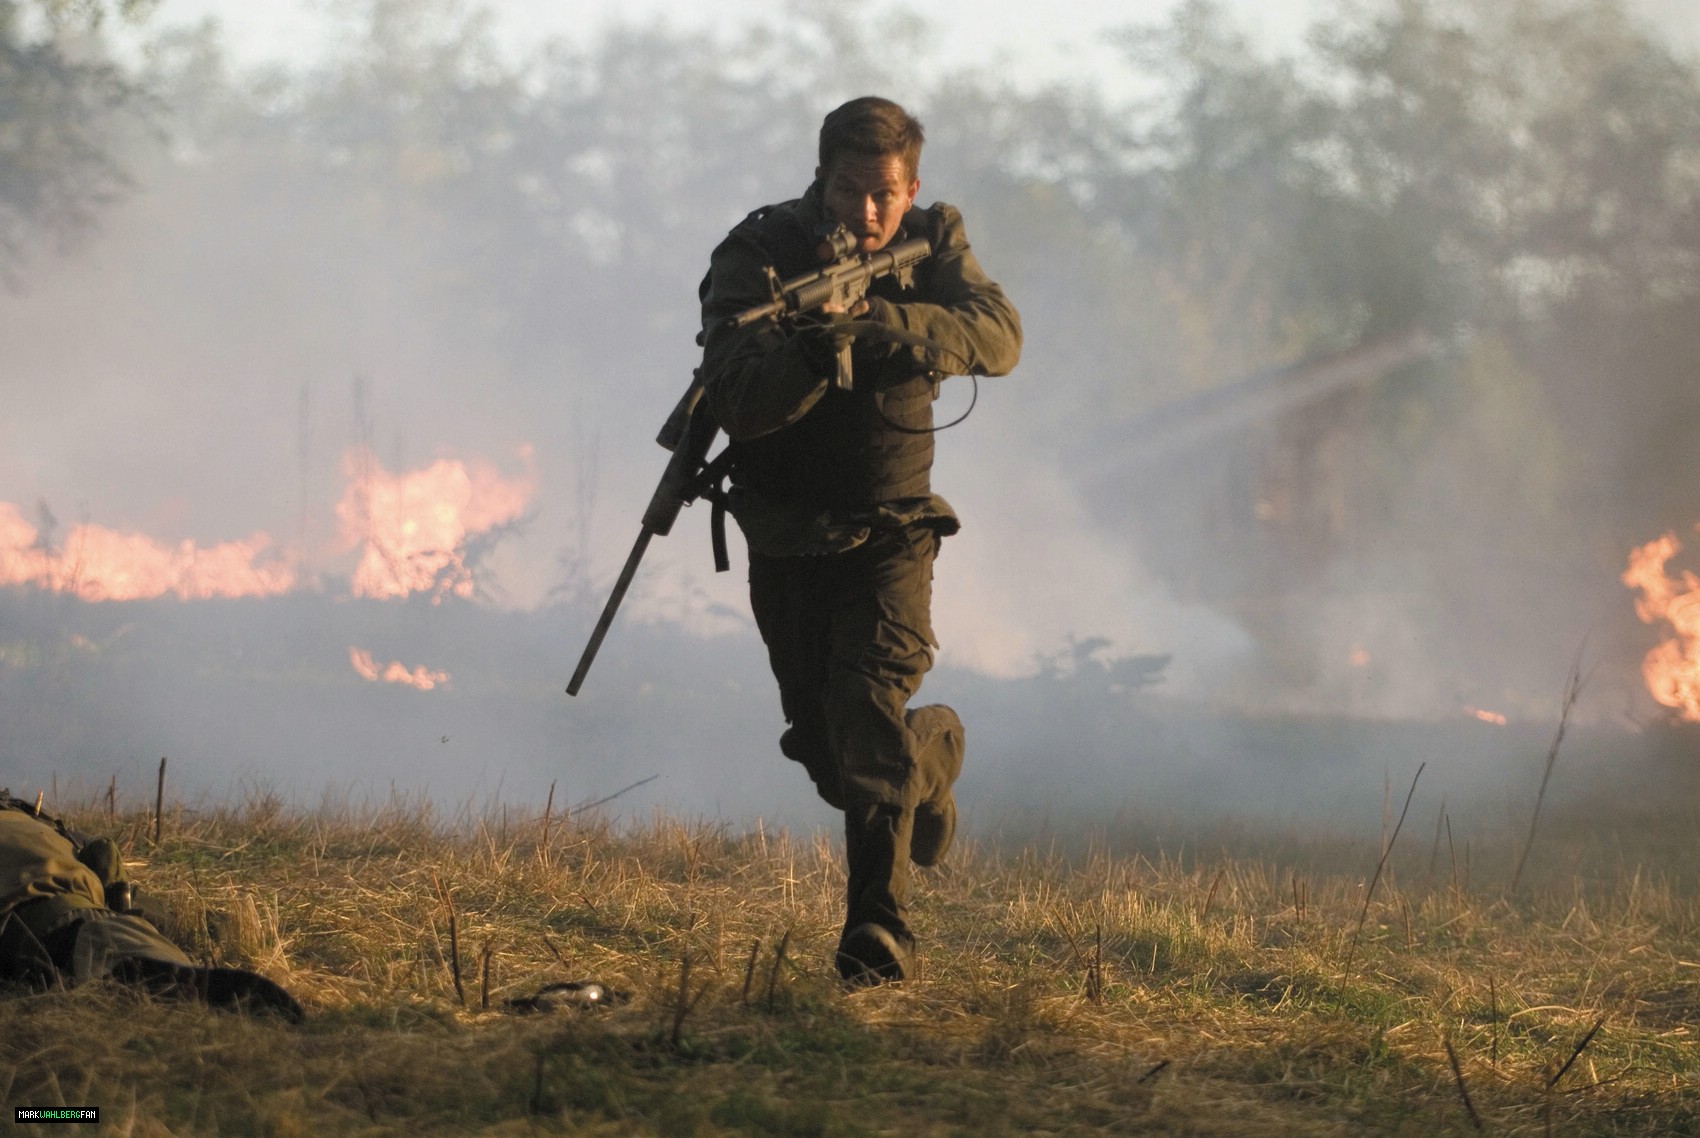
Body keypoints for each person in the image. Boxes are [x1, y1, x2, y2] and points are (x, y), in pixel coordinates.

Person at [699, 96, 1022, 984]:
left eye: (884, 194)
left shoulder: (934, 241)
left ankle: (877, 934)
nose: (868, 212)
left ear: (911, 187)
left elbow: (999, 337)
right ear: (822, 179)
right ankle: (934, 758)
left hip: (893, 530)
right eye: (849, 191)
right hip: (787, 534)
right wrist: (811, 348)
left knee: (867, 710)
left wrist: (885, 321)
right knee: (829, 754)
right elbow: (736, 395)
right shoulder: (760, 253)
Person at [0, 792, 303, 1020]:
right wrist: (214, 927)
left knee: (78, 949)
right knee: (117, 935)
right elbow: (106, 858)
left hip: (21, 928)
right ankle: (173, 970)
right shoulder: (49, 830)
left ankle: (154, 975)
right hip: (79, 902)